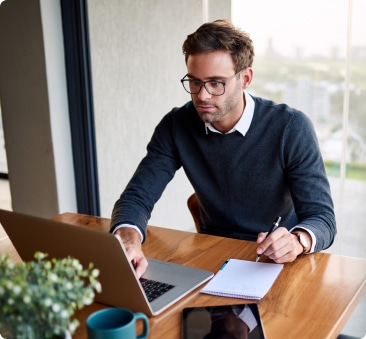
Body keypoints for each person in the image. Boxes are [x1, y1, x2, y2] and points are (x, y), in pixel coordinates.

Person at [110, 19, 336, 278]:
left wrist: (297, 241)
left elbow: (322, 219)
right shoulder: (176, 125)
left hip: (279, 262)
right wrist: (127, 239)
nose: (202, 95)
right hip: (213, 256)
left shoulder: (291, 127)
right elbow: (137, 196)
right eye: (194, 82)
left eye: (216, 83)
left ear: (246, 78)